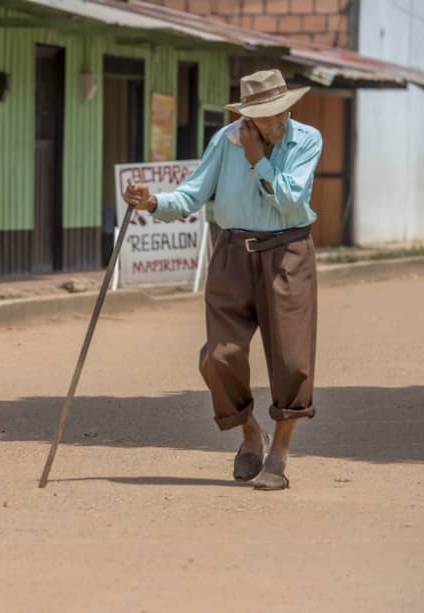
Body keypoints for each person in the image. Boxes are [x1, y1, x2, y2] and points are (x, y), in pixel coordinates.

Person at [123, 69, 322, 491]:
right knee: (218, 357)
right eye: (267, 115)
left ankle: (279, 457)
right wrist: (152, 201)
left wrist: (257, 160)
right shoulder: (224, 142)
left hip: (288, 252)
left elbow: (290, 200)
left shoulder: (306, 140)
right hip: (232, 253)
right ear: (247, 116)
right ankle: (250, 431)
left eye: (282, 110)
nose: (278, 121)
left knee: (291, 360)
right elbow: (191, 195)